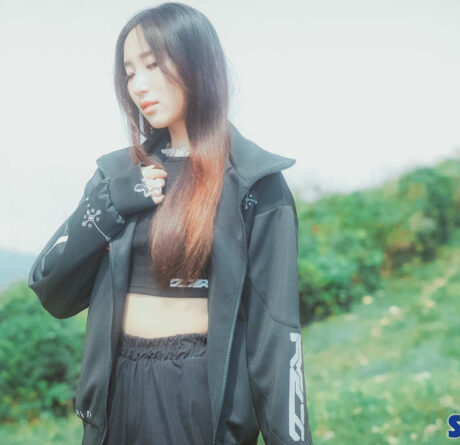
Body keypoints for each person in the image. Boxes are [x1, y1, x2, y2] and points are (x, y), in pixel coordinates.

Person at [28, 3, 313, 444]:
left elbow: (276, 338)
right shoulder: (117, 176)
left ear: (197, 63)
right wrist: (111, 204)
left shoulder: (254, 183)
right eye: (129, 73)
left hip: (197, 399)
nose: (138, 85)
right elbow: (50, 286)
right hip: (117, 396)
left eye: (152, 65)